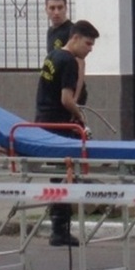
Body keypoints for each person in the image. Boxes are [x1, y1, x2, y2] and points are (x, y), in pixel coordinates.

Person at [36, 19, 100, 246]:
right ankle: (60, 229)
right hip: (61, 126)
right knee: (67, 174)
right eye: (88, 43)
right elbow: (66, 99)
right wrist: (80, 117)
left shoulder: (52, 56)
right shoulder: (70, 62)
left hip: (44, 122)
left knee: (59, 176)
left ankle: (58, 227)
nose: (90, 49)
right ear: (74, 38)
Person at [45, 0, 87, 105]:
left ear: (66, 8)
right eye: (52, 8)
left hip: (70, 94)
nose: (56, 12)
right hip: (56, 94)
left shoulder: (72, 32)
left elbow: (80, 64)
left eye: (60, 7)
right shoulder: (51, 32)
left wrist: (75, 100)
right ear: (46, 9)